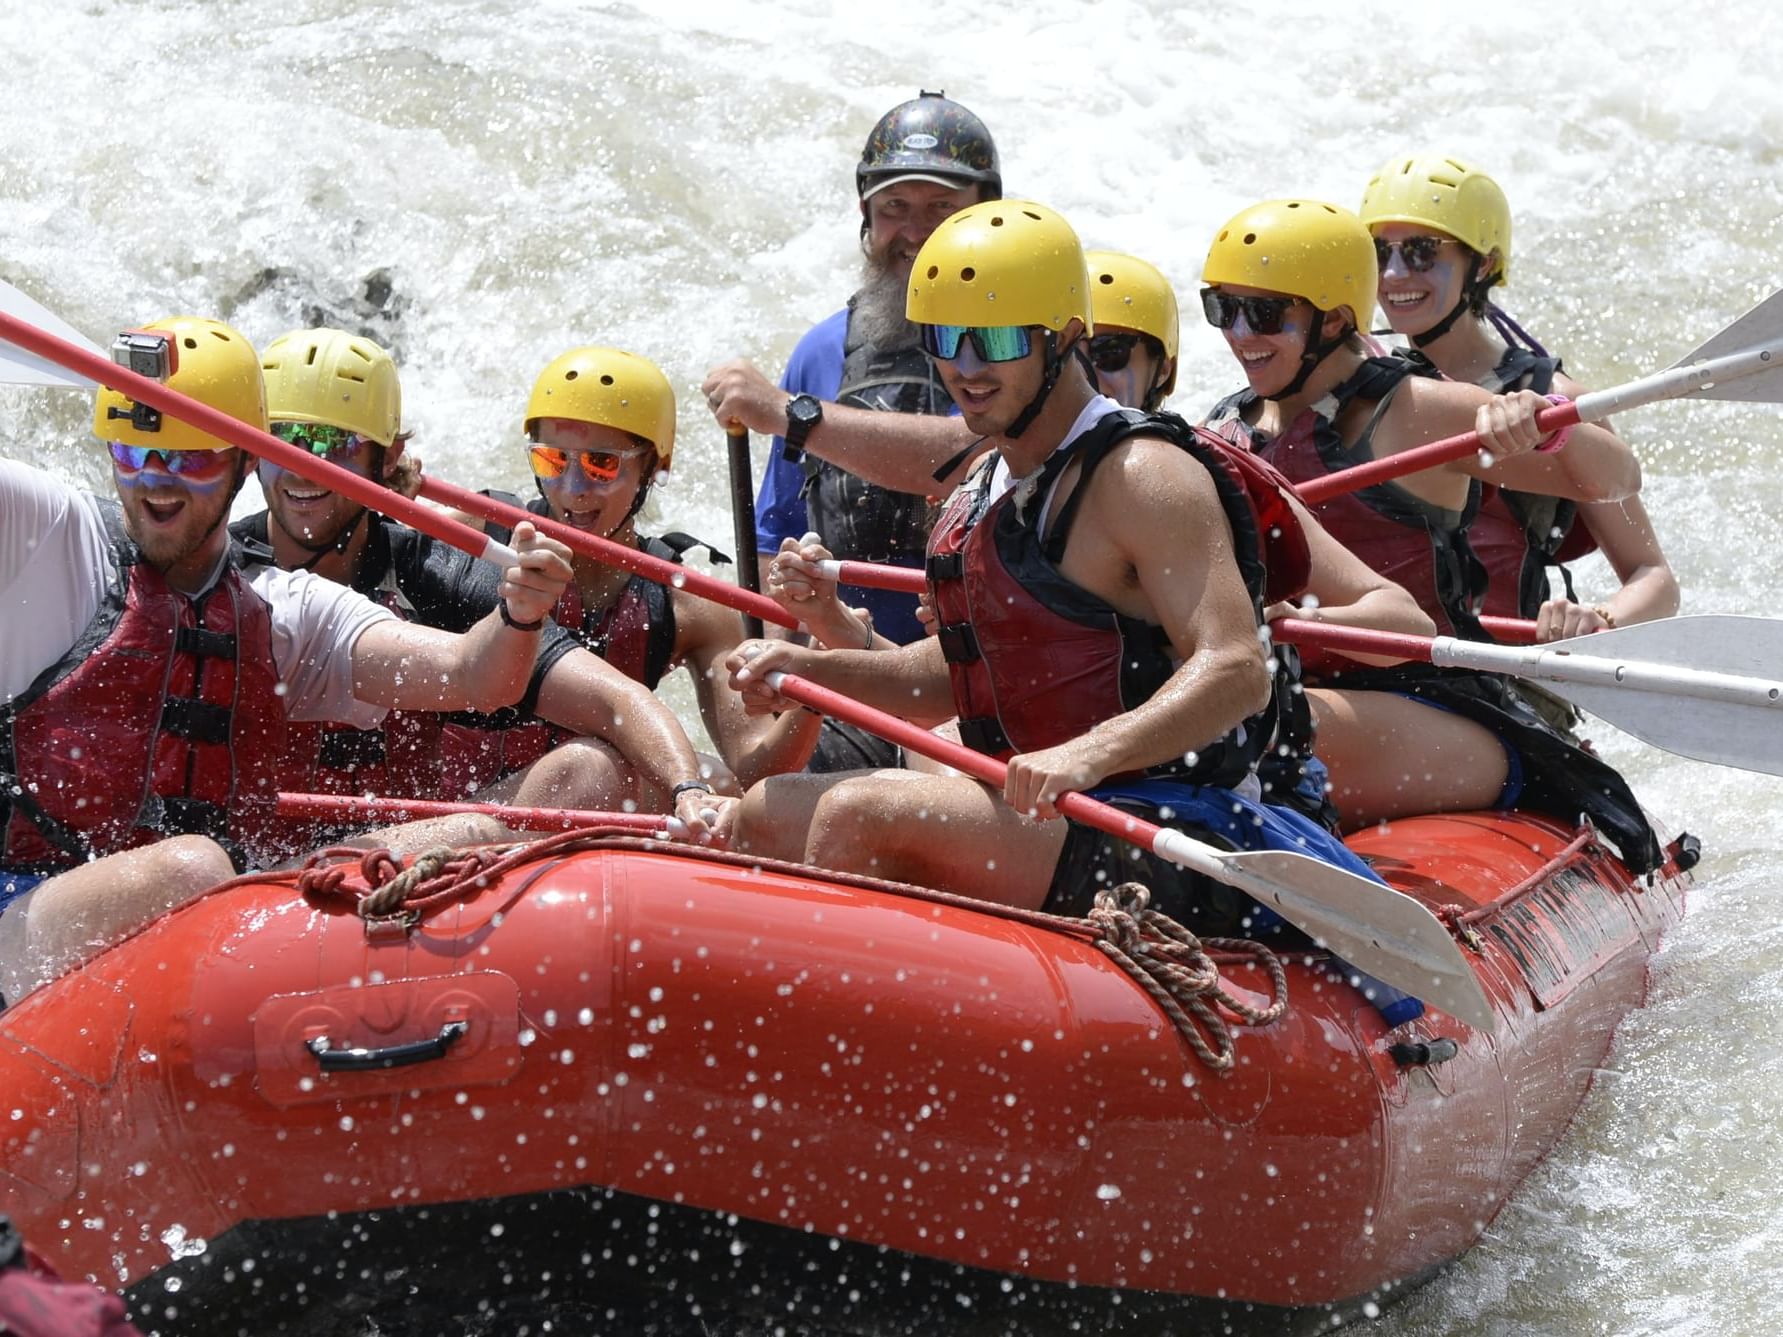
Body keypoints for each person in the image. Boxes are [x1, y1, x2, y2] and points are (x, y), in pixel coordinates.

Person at [721, 200, 1417, 988]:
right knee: (768, 810)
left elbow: (1233, 669)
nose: (965, 367)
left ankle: (847, 1055)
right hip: (1047, 812)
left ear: (1065, 341)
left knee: (858, 811)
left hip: (1171, 822)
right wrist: (808, 669)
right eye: (944, 340)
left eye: (998, 339)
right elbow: (956, 676)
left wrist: (1085, 755)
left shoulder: (1142, 476)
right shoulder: (981, 479)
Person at [0, 316, 574, 1002]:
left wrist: (519, 612)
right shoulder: (49, 534)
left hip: (204, 919)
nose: (156, 481)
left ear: (248, 461)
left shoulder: (285, 612)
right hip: (25, 917)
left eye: (189, 458)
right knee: (193, 867)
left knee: (470, 833)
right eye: (133, 455)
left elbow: (476, 676)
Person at [1197, 201, 1663, 872]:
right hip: (1297, 684)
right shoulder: (1227, 429)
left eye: (1265, 313)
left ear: (1333, 320)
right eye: (1223, 309)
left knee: (1242, 723)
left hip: (1438, 700)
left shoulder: (1412, 409)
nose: (1239, 334)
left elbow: (1617, 475)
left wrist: (1541, 424)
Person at [237, 327, 734, 842]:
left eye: (333, 444)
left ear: (385, 460)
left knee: (625, 771)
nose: (304, 466)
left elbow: (615, 700)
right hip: (258, 861)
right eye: (284, 441)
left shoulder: (441, 568)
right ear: (248, 452)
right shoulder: (218, 577)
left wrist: (687, 788)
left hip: (413, 846)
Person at [701, 92, 1001, 769]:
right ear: (866, 217)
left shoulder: (1026, 349)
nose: (914, 232)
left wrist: (789, 413)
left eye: (940, 210)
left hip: (982, 698)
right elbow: (771, 543)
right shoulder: (820, 352)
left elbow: (968, 456)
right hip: (851, 684)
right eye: (895, 209)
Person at [467, 345, 822, 793]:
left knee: (715, 782)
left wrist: (816, 686)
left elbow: (756, 769)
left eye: (601, 465)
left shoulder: (689, 607)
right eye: (553, 460)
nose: (573, 488)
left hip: (588, 810)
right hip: (460, 810)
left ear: (654, 468)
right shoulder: (473, 535)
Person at [1359, 154, 1679, 641]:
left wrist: (1600, 620)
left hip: (1501, 670)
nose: (1394, 274)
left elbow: (1654, 579)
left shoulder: (1551, 398)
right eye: (1379, 253)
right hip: (1377, 656)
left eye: (1422, 251)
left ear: (1482, 263)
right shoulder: (1353, 380)